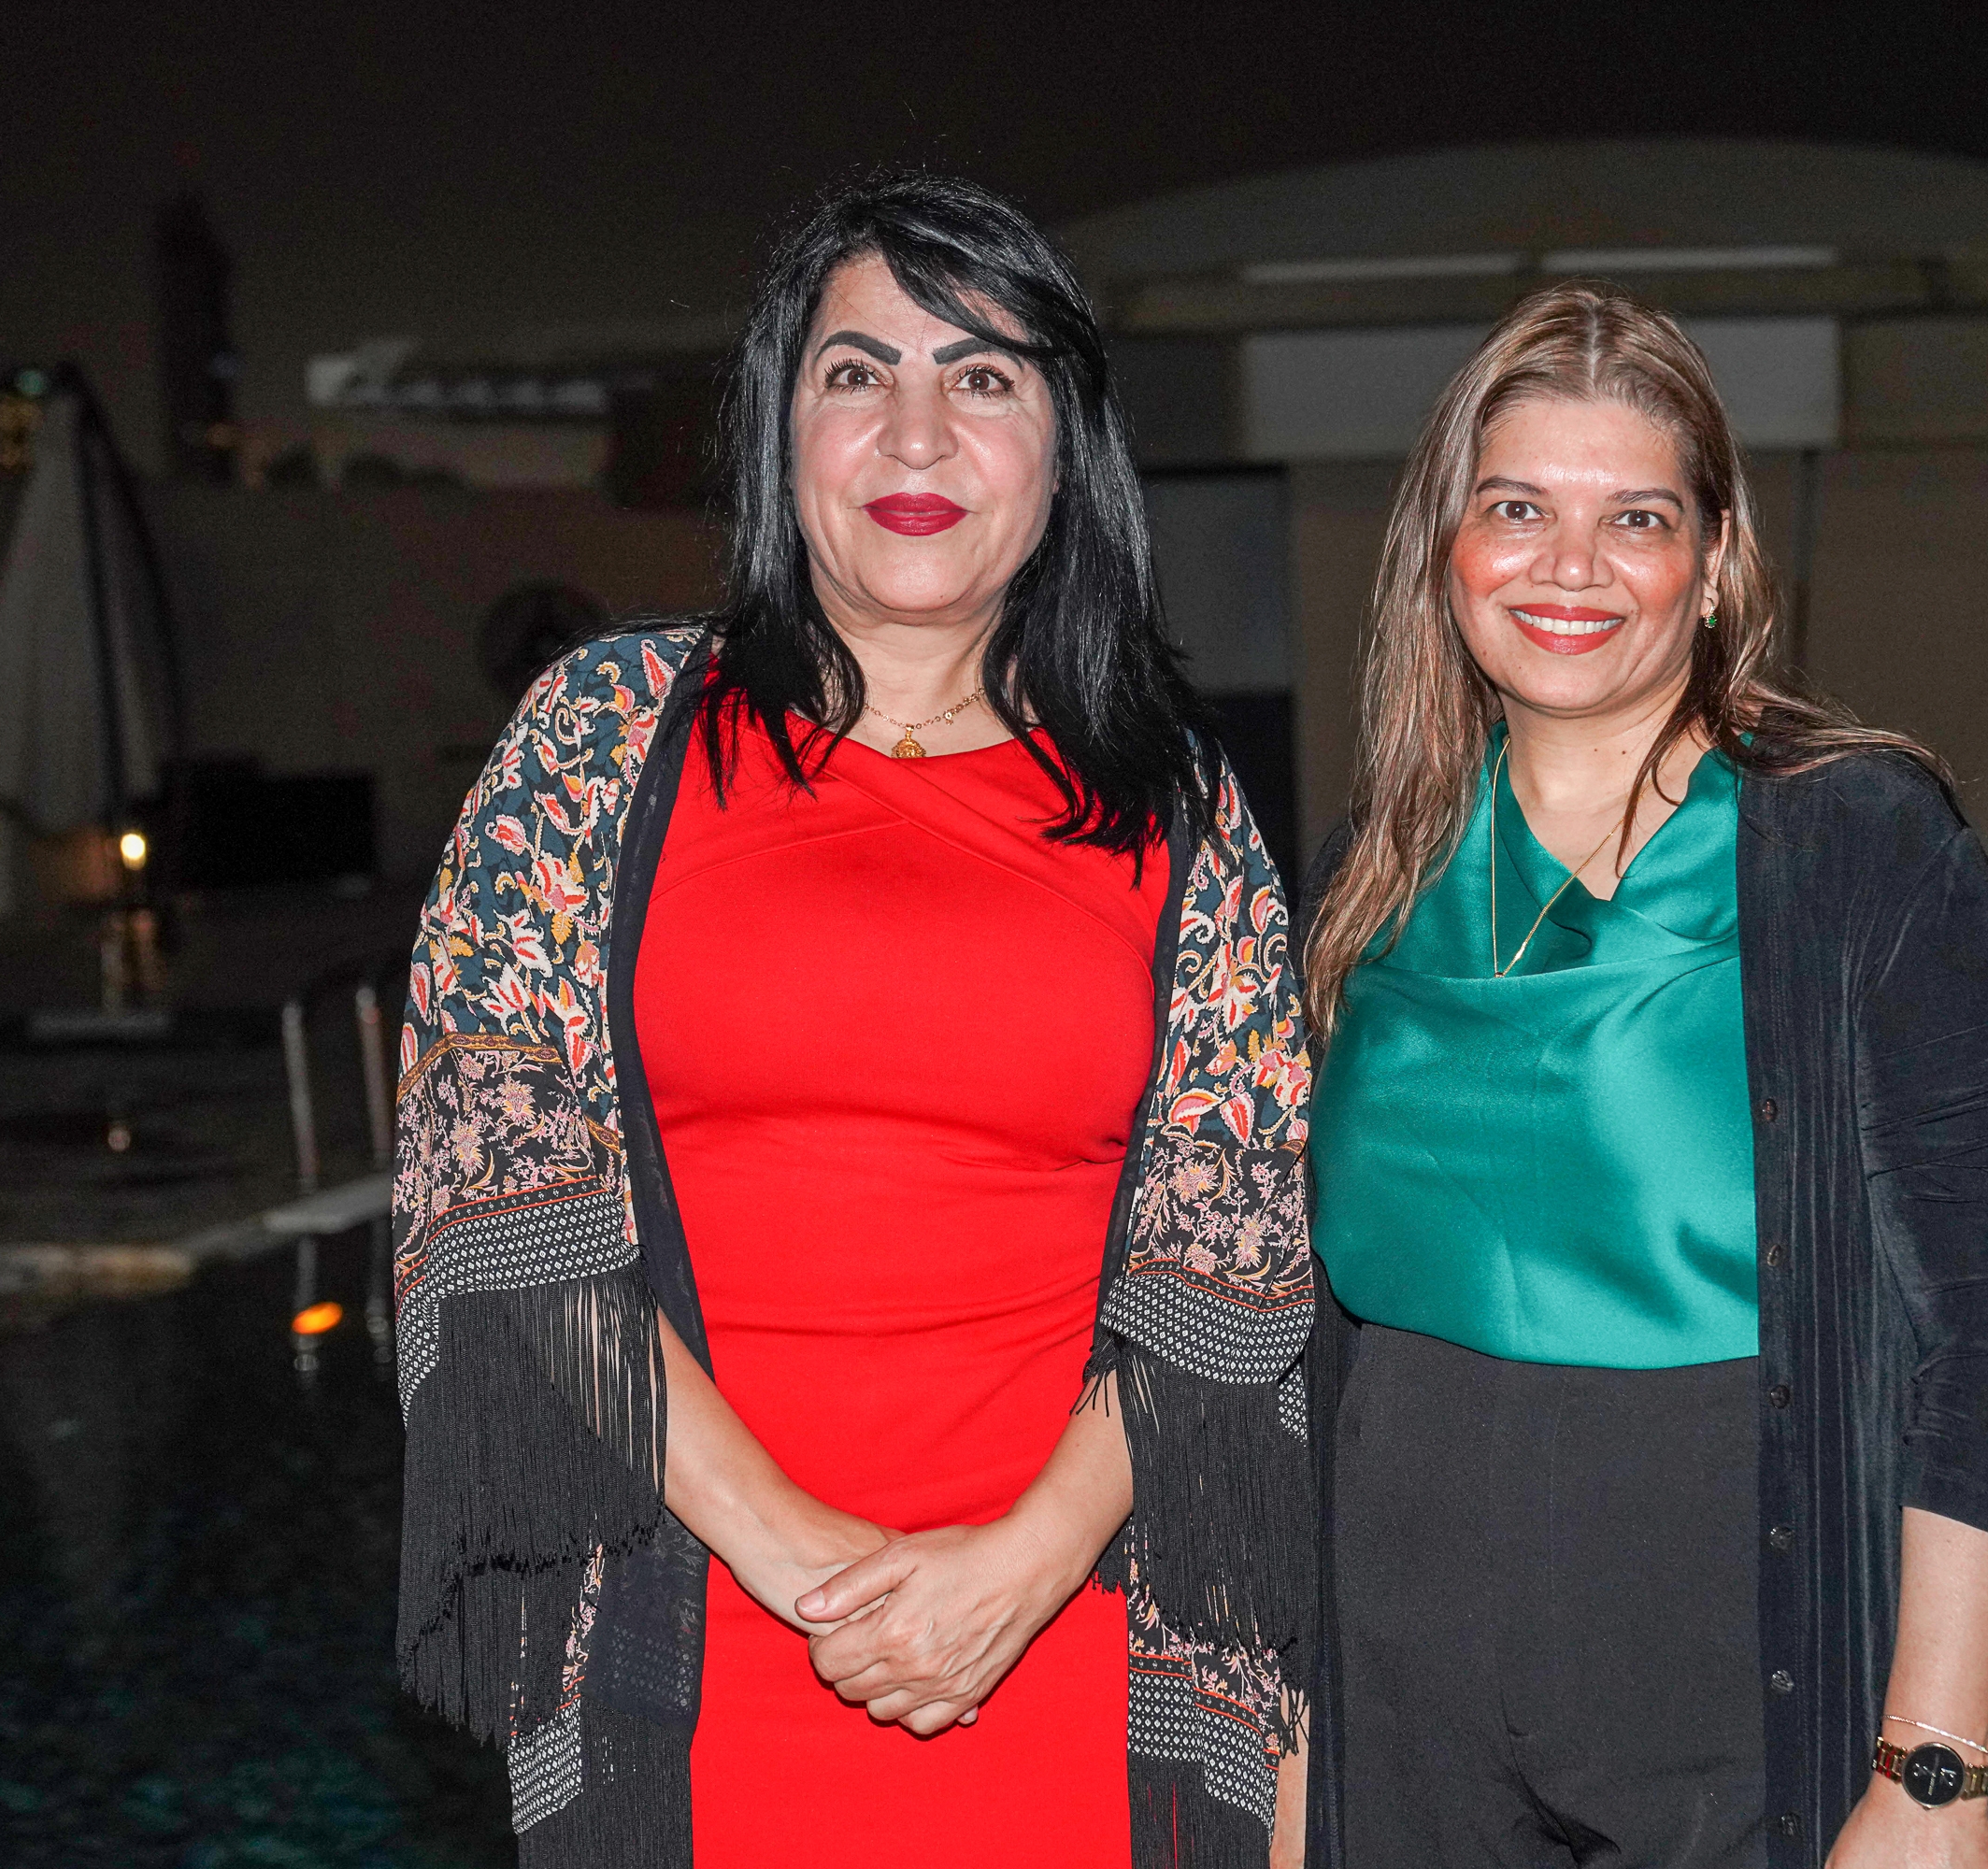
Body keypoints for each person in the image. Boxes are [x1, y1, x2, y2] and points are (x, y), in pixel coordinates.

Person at [390, 173, 1315, 1869]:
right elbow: (493, 1188)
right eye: (857, 372)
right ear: (781, 429)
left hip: (1072, 1642)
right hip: (690, 1626)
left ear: (1065, 449)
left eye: (984, 376)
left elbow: (1239, 1240)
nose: (916, 435)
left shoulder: (1173, 801)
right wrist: (802, 1558)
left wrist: (1021, 1567)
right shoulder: (599, 740)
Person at [1298, 284, 1988, 1869]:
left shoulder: (1860, 847)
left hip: (1735, 1678)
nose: (1569, 565)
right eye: (1518, 508)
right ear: (1447, 546)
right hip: (1396, 1695)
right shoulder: (1368, 874)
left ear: (1713, 564)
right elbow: (1297, 1333)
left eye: (1635, 519)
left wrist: (1933, 1774)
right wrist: (1291, 1730)